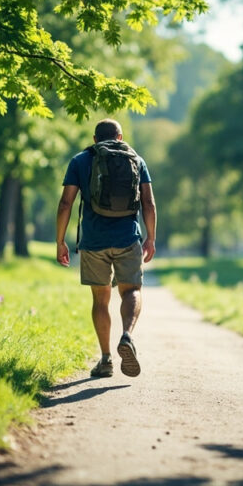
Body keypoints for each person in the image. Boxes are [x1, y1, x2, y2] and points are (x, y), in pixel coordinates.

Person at [55, 119, 157, 377]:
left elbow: (66, 203)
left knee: (101, 299)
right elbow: (148, 203)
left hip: (93, 241)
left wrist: (60, 241)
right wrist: (151, 238)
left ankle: (106, 359)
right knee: (131, 291)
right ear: (119, 137)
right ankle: (127, 336)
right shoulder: (136, 159)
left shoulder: (80, 160)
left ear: (94, 139)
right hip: (128, 238)